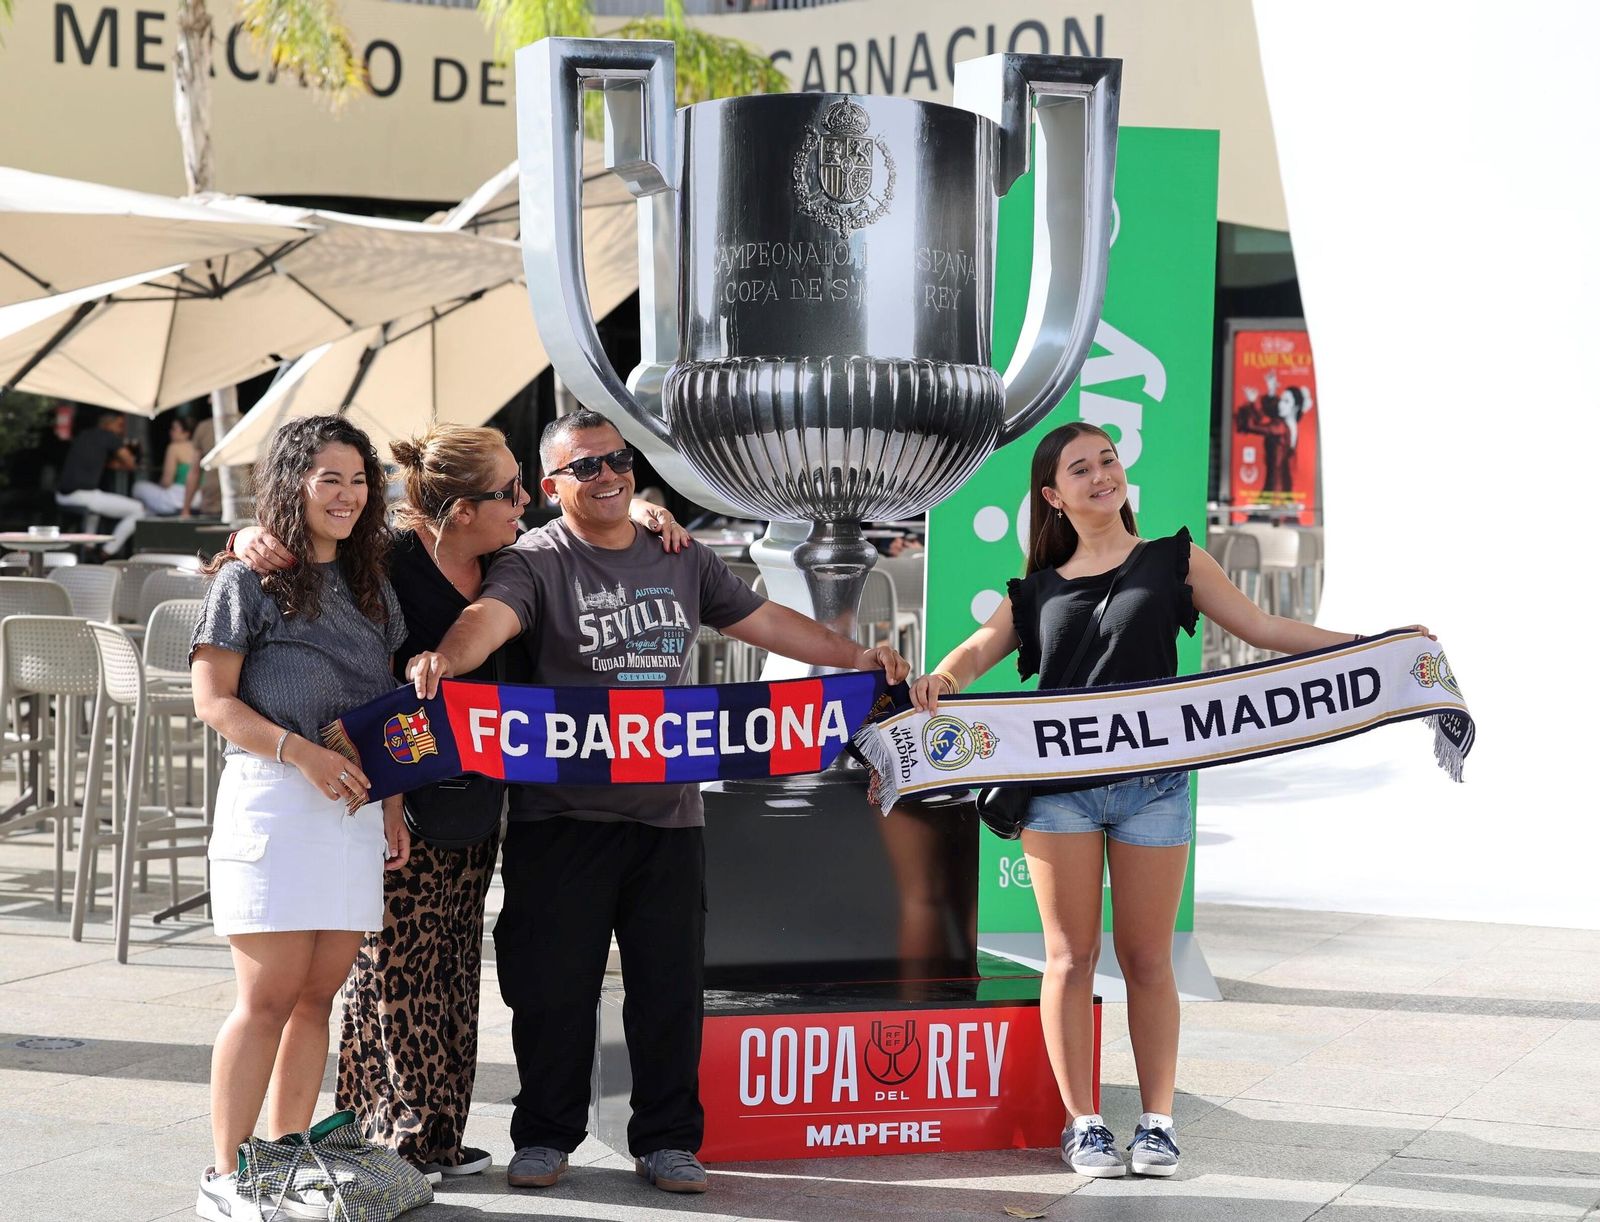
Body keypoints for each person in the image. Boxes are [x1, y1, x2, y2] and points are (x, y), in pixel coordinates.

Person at [405, 408, 909, 1196]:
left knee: (668, 990)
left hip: (670, 816)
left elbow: (765, 620)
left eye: (618, 461)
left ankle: (669, 1140)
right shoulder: (534, 560)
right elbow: (487, 619)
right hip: (561, 818)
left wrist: (857, 660)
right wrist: (448, 657)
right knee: (551, 991)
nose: (607, 476)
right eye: (586, 467)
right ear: (549, 487)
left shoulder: (680, 555)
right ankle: (544, 1134)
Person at [910, 421, 1429, 1181]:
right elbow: (972, 652)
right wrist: (943, 681)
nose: (1100, 476)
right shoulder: (1034, 589)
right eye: (1079, 470)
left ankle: (1157, 1123)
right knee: (1069, 957)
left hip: (1156, 788)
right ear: (1053, 497)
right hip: (1058, 796)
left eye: (1108, 460)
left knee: (1148, 957)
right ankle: (1084, 1123)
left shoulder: (1175, 558)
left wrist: (1376, 646)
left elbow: (1263, 627)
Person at [226, 426, 690, 1179]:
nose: (522, 503)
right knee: (391, 974)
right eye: (508, 492)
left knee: (446, 973)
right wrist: (248, 536)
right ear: (458, 509)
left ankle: (436, 1134)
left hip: (475, 801)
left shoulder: (513, 560)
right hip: (392, 796)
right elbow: (299, 557)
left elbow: (590, 528)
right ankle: (392, 1136)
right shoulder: (383, 562)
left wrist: (646, 515)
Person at [189, 415, 412, 1222]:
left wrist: (390, 802)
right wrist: (302, 755)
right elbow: (212, 701)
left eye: (358, 480)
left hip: (352, 807)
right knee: (267, 995)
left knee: (319, 994)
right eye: (329, 479)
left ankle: (284, 1159)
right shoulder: (246, 579)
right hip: (275, 797)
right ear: (294, 485)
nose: (348, 495)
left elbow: (383, 703)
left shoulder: (369, 580)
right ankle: (224, 1173)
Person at [54, 410, 143, 554]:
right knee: (138, 509)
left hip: (61, 496)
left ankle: (89, 546)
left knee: (96, 504)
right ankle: (108, 551)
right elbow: (130, 463)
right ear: (108, 424)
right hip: (82, 496)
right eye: (119, 425)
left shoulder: (83, 435)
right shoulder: (109, 437)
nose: (121, 430)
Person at [133, 413, 202, 516]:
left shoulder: (174, 447)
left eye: (174, 429)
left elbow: (167, 481)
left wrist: (158, 485)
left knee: (138, 487)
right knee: (149, 510)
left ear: (186, 433)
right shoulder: (201, 448)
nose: (170, 432)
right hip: (200, 498)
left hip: (179, 498)